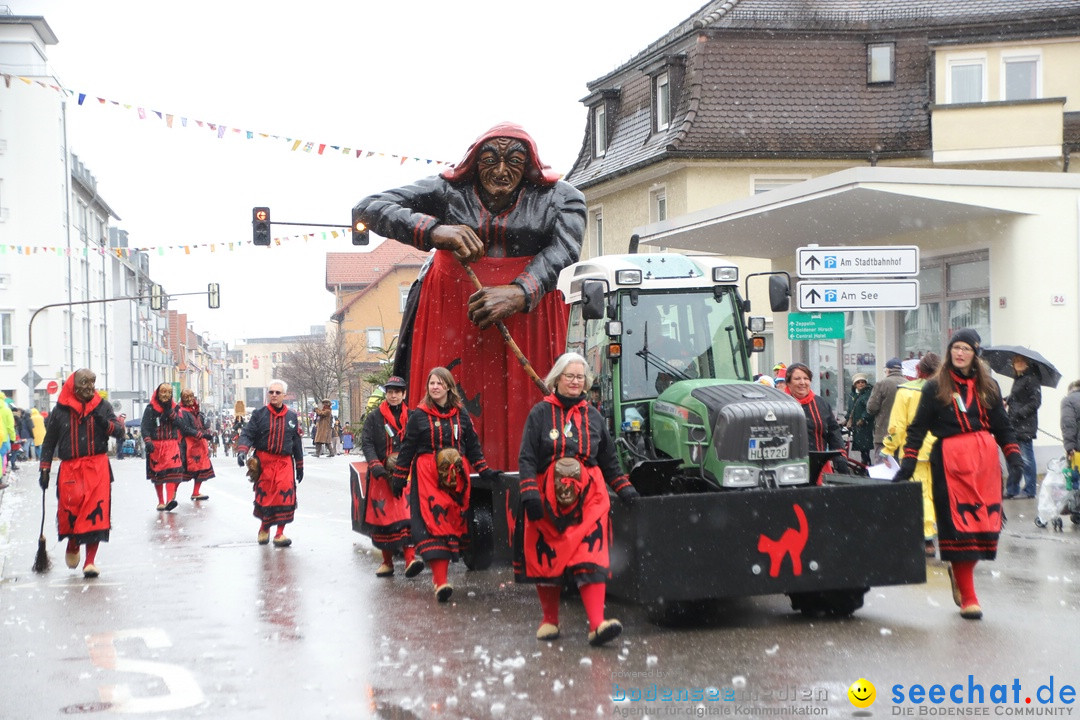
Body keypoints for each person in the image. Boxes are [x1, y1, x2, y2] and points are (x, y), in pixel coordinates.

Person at [354, 122, 586, 472]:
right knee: (449, 402)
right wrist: (436, 230)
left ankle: (530, 490)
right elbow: (369, 208)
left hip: (529, 314)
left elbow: (566, 249)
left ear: (530, 165)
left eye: (515, 160)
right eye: (491, 159)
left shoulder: (562, 197)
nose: (502, 171)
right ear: (475, 162)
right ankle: (444, 490)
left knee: (532, 412)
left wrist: (522, 291)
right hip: (453, 306)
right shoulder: (448, 191)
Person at [893, 329, 1022, 620]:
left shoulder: (988, 387)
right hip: (949, 463)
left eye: (966, 349)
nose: (960, 353)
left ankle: (959, 572)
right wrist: (908, 463)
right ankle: (970, 598)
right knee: (958, 528)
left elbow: (1002, 426)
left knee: (982, 529)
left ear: (975, 354)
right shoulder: (935, 387)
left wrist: (1014, 456)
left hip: (985, 463)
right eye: (956, 348)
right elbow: (917, 429)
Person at [515, 352, 639, 646]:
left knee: (590, 556)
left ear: (586, 382)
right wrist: (530, 493)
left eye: (580, 377)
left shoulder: (594, 416)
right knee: (548, 559)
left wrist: (624, 488)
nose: (574, 381)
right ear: (557, 378)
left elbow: (608, 460)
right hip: (548, 498)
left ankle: (598, 624)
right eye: (569, 376)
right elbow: (527, 458)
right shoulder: (539, 414)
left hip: (590, 498)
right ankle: (549, 620)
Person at [388, 367, 500, 602]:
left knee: (451, 524)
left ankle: (441, 578)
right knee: (434, 525)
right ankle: (441, 582)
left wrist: (483, 469)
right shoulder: (419, 416)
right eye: (432, 384)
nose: (435, 387)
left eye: (440, 383)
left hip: (455, 475)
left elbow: (472, 445)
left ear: (448, 386)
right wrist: (399, 477)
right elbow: (407, 449)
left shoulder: (461, 414)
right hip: (428, 476)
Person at [37, 369, 126, 578]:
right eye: (84, 383)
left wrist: (106, 424)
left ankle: (90, 561)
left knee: (96, 513)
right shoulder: (60, 410)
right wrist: (44, 468)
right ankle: (73, 543)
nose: (89, 388)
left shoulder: (102, 407)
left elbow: (120, 432)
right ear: (73, 385)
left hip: (97, 467)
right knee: (71, 512)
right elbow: (49, 442)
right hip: (70, 468)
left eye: (92, 383)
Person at [359, 375, 421, 578]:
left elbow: (418, 444)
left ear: (404, 394)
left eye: (397, 392)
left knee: (406, 518)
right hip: (381, 476)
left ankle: (411, 560)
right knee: (383, 521)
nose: (393, 396)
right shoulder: (374, 417)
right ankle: (387, 563)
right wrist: (376, 466)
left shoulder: (413, 417)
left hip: (406, 476)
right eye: (390, 392)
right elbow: (367, 443)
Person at [882, 353, 942, 558]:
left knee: (921, 494)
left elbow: (897, 426)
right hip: (943, 451)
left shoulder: (906, 392)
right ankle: (941, 534)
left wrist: (888, 449)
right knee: (937, 493)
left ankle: (926, 538)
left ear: (918, 370)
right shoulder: (947, 391)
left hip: (915, 451)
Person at [236, 380, 305, 547]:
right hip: (264, 461)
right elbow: (248, 433)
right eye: (271, 392)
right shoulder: (259, 414)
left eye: (277, 392)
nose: (274, 395)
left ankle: (280, 533)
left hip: (284, 462)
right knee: (266, 497)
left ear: (284, 395)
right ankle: (264, 528)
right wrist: (242, 451)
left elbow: (296, 442)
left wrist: (300, 465)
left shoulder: (291, 417)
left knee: (284, 494)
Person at [784, 363, 852, 481]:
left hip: (819, 466)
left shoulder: (821, 404)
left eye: (806, 378)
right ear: (788, 383)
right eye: (797, 379)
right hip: (788, 468)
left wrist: (840, 456)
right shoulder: (781, 404)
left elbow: (833, 431)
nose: (802, 382)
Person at [141, 383, 185, 512]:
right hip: (156, 444)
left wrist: (169, 411)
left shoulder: (175, 408)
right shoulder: (150, 409)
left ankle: (169, 500)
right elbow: (145, 426)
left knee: (172, 473)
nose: (165, 395)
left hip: (171, 444)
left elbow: (180, 423)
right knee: (158, 474)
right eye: (163, 392)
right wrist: (148, 440)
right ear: (157, 393)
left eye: (168, 392)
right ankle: (160, 501)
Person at [1004, 355, 1041, 499]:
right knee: (1012, 457)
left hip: (1025, 425)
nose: (1018, 364)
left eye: (1021, 361)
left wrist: (1019, 413)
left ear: (1027, 364)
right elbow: (1017, 396)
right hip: (1013, 424)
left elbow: (1035, 402)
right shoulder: (1019, 379)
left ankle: (1030, 489)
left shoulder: (1032, 379)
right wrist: (1006, 399)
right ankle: (1012, 489)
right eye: (1016, 362)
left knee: (1026, 459)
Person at [176, 389, 215, 502]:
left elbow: (202, 425)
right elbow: (185, 428)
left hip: (199, 444)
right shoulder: (181, 411)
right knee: (182, 471)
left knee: (202, 469)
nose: (189, 399)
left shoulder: (196, 411)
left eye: (191, 397)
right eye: (186, 397)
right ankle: (171, 495)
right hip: (187, 444)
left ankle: (196, 492)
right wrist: (199, 434)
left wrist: (205, 425)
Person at [867, 357, 907, 458]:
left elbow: (872, 408)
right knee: (900, 469)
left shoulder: (882, 384)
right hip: (904, 436)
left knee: (883, 469)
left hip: (884, 434)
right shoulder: (908, 384)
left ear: (888, 370)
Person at [844, 373, 874, 465]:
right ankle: (864, 465)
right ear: (855, 384)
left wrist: (863, 419)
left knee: (865, 449)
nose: (861, 384)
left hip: (865, 425)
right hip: (856, 425)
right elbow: (850, 410)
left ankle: (866, 466)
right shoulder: (853, 395)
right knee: (862, 449)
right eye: (858, 382)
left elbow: (869, 409)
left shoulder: (868, 394)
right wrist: (846, 419)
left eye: (863, 382)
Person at [1060, 379, 1080, 479]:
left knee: (1076, 478)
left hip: (1078, 447)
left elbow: (1068, 424)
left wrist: (1069, 446)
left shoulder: (1068, 400)